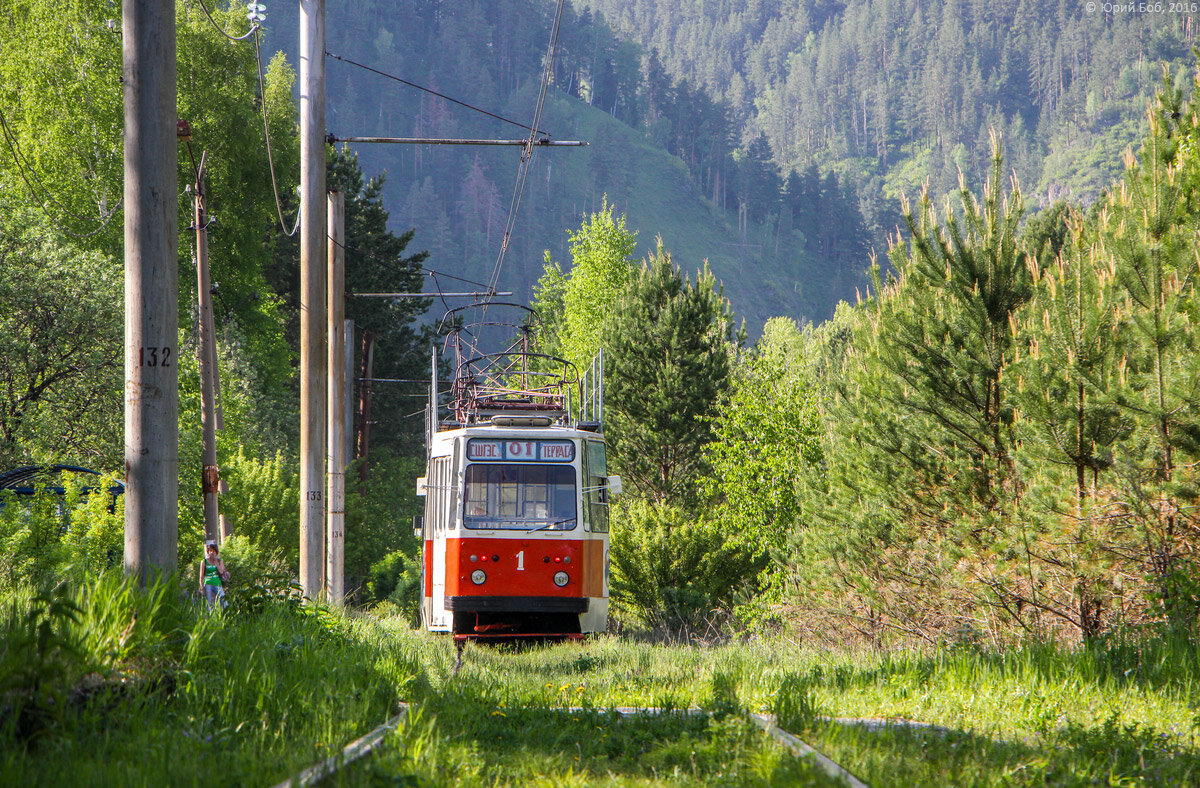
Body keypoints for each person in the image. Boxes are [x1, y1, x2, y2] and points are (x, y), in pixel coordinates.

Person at [200, 541, 230, 608]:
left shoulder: (219, 560)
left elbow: (221, 572)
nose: (212, 553)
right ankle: (209, 615)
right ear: (208, 552)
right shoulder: (204, 561)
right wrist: (202, 587)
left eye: (213, 551)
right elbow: (201, 576)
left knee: (224, 601)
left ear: (216, 552)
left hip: (217, 583)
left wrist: (217, 563)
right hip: (208, 583)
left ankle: (227, 614)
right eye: (210, 551)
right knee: (208, 603)